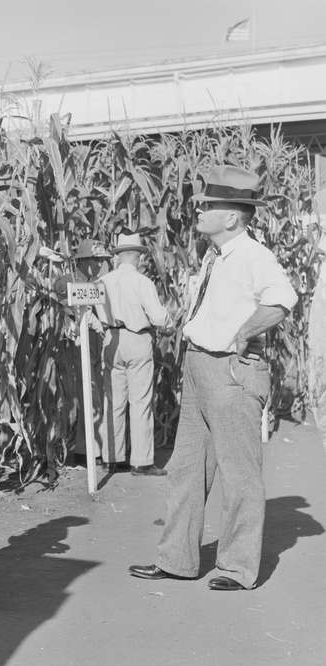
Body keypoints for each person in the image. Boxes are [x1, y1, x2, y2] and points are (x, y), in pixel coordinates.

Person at [129, 165, 298, 591]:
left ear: (231, 218)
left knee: (239, 474)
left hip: (230, 372)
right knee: (185, 469)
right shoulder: (216, 256)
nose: (199, 209)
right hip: (200, 369)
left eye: (209, 205)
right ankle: (177, 560)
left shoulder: (254, 256)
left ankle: (238, 568)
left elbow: (282, 300)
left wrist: (244, 333)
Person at [97, 230, 171, 476]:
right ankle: (141, 461)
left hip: (111, 339)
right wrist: (168, 323)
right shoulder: (143, 282)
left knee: (114, 400)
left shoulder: (104, 281)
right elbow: (159, 317)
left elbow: (96, 312)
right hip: (137, 339)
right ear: (138, 256)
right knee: (140, 402)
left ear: (119, 256)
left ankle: (112, 457)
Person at [53, 239, 111, 465]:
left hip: (94, 348)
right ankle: (88, 452)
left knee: (94, 398)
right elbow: (62, 299)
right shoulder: (68, 281)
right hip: (76, 351)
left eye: (101, 261)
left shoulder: (95, 284)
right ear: (84, 261)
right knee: (88, 398)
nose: (99, 265)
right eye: (95, 261)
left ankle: (85, 449)